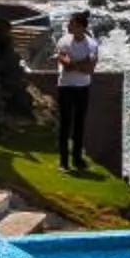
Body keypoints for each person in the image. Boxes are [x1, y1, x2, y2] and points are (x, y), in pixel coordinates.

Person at [54, 12, 100, 172]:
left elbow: (90, 69)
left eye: (71, 23)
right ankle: (63, 161)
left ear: (80, 27)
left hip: (83, 87)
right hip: (65, 86)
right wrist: (81, 63)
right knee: (65, 124)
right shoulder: (63, 41)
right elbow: (65, 64)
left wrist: (74, 64)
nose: (68, 25)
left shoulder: (92, 44)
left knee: (80, 124)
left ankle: (77, 159)